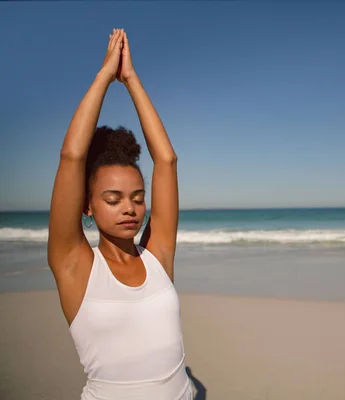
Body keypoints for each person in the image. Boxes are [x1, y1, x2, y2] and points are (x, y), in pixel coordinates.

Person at [47, 29, 193, 399]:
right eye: (113, 199)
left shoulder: (158, 255)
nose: (130, 208)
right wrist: (105, 77)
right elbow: (71, 157)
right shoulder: (74, 266)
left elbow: (167, 160)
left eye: (138, 198)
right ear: (88, 206)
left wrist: (131, 80)